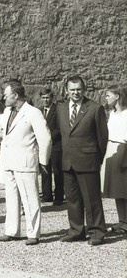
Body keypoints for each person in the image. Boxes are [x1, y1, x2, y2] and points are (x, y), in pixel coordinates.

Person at [52, 75, 108, 246]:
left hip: (88, 160)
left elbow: (102, 138)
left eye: (79, 89)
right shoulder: (61, 109)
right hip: (68, 161)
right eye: (72, 90)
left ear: (84, 90)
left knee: (92, 199)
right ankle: (76, 230)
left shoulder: (94, 108)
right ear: (67, 91)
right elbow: (58, 134)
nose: (76, 93)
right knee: (72, 198)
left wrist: (96, 159)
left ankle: (97, 232)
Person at [0, 80, 52, 245]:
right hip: (8, 161)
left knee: (30, 198)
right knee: (11, 198)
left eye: (6, 95)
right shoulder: (7, 111)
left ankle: (33, 233)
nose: (3, 97)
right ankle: (11, 230)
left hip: (25, 161)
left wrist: (43, 162)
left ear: (15, 95)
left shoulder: (33, 112)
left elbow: (45, 138)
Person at [101, 84, 127, 234]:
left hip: (123, 150)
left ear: (117, 96)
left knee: (124, 188)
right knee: (117, 189)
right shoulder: (112, 113)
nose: (106, 98)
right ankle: (122, 220)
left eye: (108, 95)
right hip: (111, 149)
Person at [38, 88, 64, 205]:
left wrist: (47, 138)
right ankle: (47, 195)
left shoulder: (58, 110)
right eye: (43, 98)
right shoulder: (38, 112)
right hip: (43, 146)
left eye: (47, 97)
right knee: (45, 170)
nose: (45, 100)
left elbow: (59, 128)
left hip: (55, 145)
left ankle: (59, 196)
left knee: (57, 171)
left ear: (52, 98)